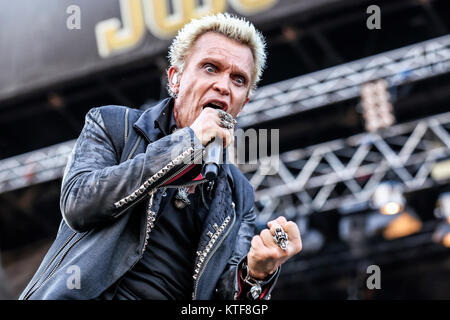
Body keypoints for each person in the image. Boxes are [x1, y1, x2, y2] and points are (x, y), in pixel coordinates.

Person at [19, 13, 302, 300]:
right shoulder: (115, 126)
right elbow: (78, 204)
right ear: (175, 78)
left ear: (243, 103)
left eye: (238, 79)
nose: (223, 86)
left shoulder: (238, 194)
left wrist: (256, 272)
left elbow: (225, 299)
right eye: (210, 68)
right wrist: (186, 144)